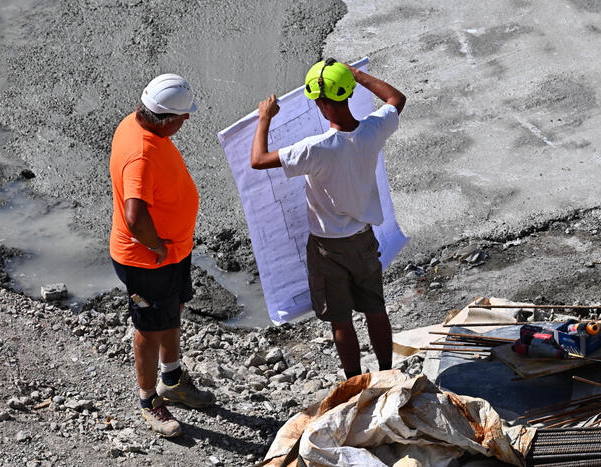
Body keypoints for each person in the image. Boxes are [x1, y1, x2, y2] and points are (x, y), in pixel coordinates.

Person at [250, 59, 406, 379]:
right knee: (376, 309)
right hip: (364, 240)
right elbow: (396, 99)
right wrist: (358, 75)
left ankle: (355, 383)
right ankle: (387, 373)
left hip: (327, 248)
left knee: (341, 319)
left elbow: (257, 160)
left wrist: (264, 118)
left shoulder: (316, 149)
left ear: (321, 104)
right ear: (347, 92)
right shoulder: (374, 130)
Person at [109, 73, 214, 437]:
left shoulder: (136, 123)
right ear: (166, 118)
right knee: (148, 328)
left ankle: (172, 379)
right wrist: (156, 246)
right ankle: (149, 400)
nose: (186, 122)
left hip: (171, 254)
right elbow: (135, 217)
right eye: (183, 117)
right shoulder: (140, 154)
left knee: (172, 312)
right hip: (146, 260)